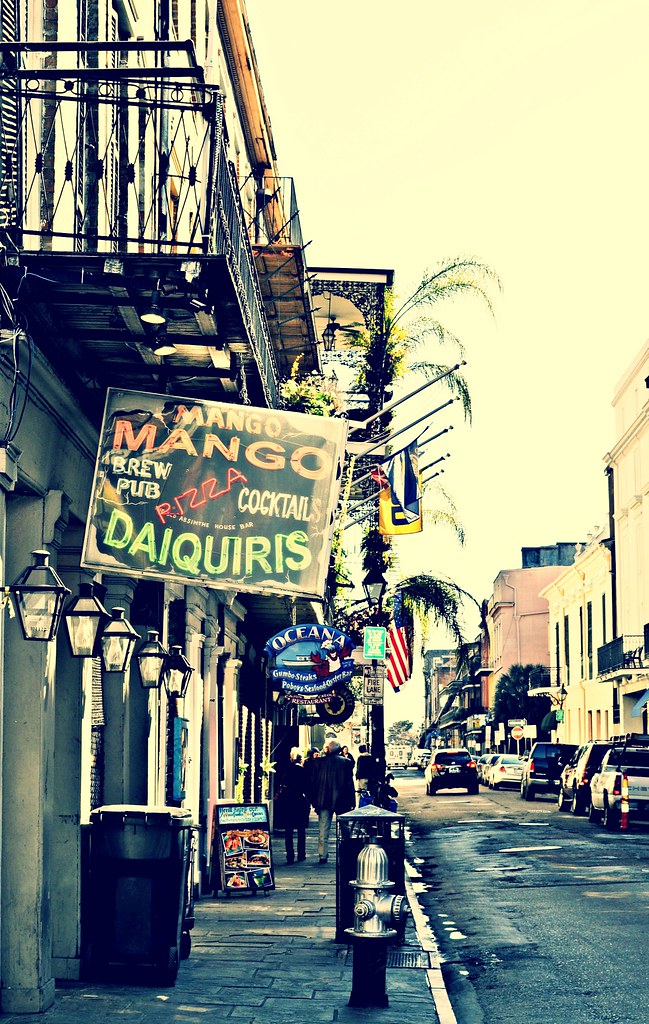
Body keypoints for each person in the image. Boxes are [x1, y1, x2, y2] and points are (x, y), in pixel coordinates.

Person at [311, 739, 355, 863]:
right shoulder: (346, 763)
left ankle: (322, 855)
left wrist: (314, 801)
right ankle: (346, 852)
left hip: (323, 800)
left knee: (323, 830)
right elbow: (349, 784)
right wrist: (352, 801)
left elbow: (314, 783)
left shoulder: (319, 762)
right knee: (345, 829)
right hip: (342, 800)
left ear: (328, 749)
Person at [275, 747, 309, 864]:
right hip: (300, 801)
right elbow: (308, 787)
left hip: (288, 801)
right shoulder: (304, 771)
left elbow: (282, 784)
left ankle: (290, 856)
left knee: (288, 830)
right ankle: (301, 854)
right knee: (301, 830)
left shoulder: (287, 770)